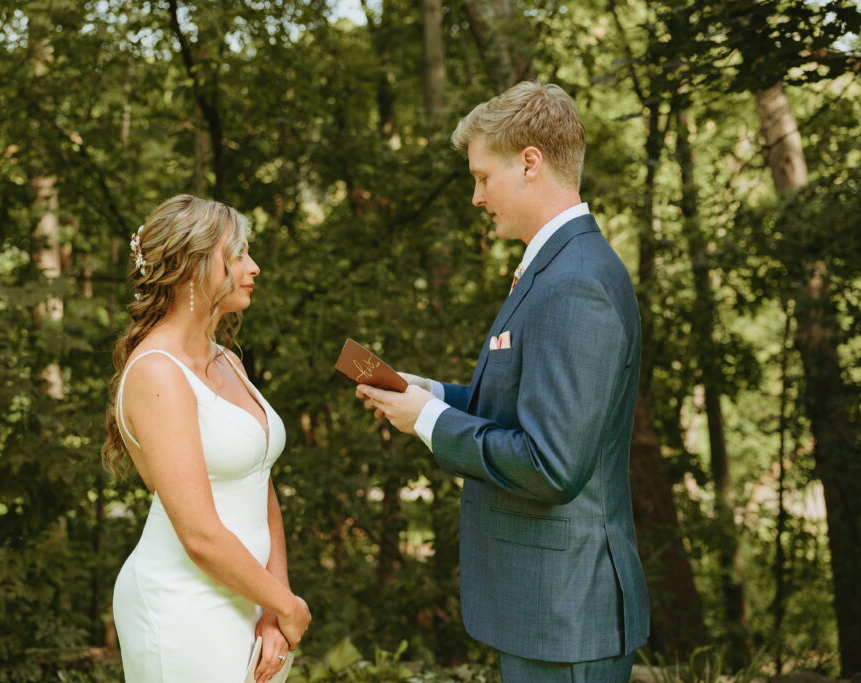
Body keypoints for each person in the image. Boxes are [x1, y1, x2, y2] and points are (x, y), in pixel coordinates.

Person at [355, 82, 649, 682]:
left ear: (530, 162)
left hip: (567, 614)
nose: (476, 196)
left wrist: (430, 424)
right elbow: (528, 408)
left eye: (484, 177)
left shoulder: (576, 282)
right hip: (545, 609)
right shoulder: (558, 266)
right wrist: (431, 395)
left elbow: (551, 463)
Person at [103, 194, 310, 682]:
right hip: (185, 606)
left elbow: (262, 486)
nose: (253, 267)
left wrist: (272, 607)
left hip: (255, 600)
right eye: (237, 255)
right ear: (193, 267)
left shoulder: (226, 360)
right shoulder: (159, 374)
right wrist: (290, 605)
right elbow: (198, 534)